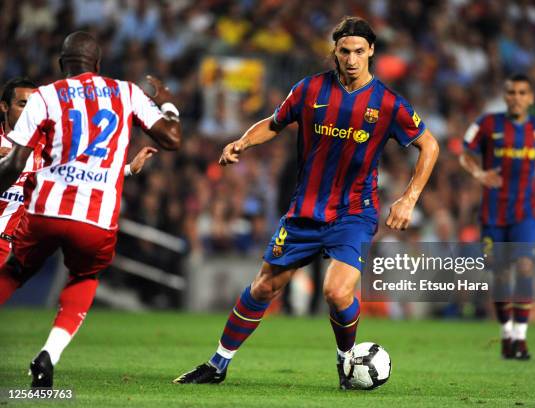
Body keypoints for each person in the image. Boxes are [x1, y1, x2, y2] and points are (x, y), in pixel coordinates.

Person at [174, 16, 439, 389]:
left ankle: (346, 363)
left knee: (336, 291)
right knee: (264, 287)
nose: (351, 59)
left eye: (359, 52)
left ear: (371, 52)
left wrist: (409, 199)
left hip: (353, 214)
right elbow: (274, 121)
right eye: (345, 51)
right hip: (304, 212)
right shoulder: (309, 90)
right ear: (335, 50)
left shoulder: (388, 103)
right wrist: (242, 143)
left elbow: (430, 145)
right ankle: (218, 364)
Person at [0, 31, 181, 388]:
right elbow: (172, 138)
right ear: (98, 65)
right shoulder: (126, 92)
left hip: (46, 209)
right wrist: (169, 103)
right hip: (95, 218)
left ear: (61, 65)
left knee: (15, 270)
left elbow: (16, 163)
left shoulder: (46, 95)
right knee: (84, 276)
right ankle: (49, 354)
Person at [0, 77, 158, 263]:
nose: (28, 111)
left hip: (14, 249)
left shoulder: (48, 146)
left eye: (31, 106)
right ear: (4, 107)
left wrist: (129, 169)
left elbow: (82, 173)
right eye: (22, 104)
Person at [460, 73, 535, 360]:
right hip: (492, 214)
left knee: (526, 266)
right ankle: (506, 334)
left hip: (526, 213)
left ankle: (521, 338)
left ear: (530, 98)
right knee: (501, 273)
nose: (516, 97)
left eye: (521, 92)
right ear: (505, 96)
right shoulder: (487, 124)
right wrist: (479, 173)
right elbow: (464, 153)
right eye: (511, 92)